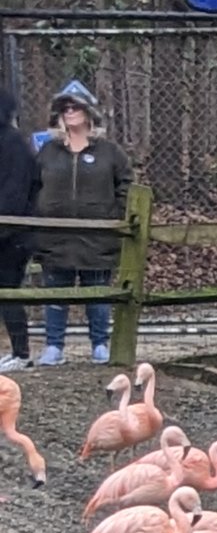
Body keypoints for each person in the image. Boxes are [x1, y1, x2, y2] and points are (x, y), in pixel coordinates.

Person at [31, 81, 127, 365]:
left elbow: (126, 186)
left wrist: (114, 218)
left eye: (75, 106)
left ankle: (100, 344)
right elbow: (33, 187)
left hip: (97, 239)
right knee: (55, 293)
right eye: (64, 108)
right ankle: (53, 346)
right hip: (54, 239)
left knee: (97, 294)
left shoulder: (110, 152)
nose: (69, 112)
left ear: (89, 112)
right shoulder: (47, 151)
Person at [0, 91, 37, 372]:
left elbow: (14, 195)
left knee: (8, 290)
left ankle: (21, 352)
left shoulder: (14, 144)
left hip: (12, 235)